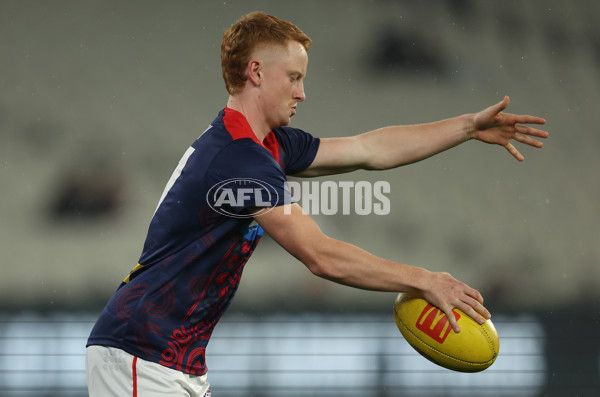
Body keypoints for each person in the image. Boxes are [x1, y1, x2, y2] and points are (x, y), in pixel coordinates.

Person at [86, 11, 548, 396]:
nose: (302, 92)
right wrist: (424, 280)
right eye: (294, 77)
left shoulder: (263, 145)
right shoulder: (239, 159)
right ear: (256, 72)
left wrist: (466, 127)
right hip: (141, 351)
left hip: (169, 356)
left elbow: (370, 149)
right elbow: (322, 257)